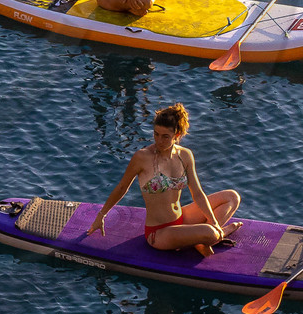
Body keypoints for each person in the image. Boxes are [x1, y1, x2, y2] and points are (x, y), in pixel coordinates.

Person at [91, 103, 241, 256]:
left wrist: (213, 220)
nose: (159, 141)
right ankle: (212, 236)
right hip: (159, 232)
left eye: (165, 136)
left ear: (176, 135)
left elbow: (197, 193)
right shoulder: (142, 157)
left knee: (232, 197)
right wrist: (101, 215)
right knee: (210, 232)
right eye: (156, 134)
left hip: (181, 218)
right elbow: (122, 187)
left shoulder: (185, 155)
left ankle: (202, 237)